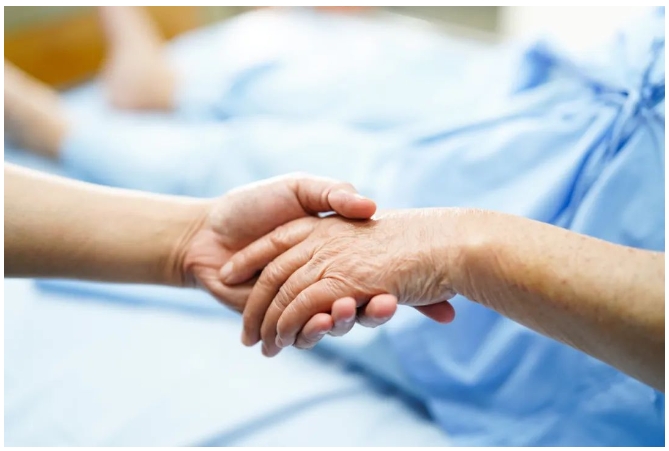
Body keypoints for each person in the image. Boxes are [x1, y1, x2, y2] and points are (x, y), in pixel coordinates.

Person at [5, 6, 665, 446]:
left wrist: (460, 246)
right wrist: (185, 240)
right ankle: (157, 92)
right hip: (569, 114)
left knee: (294, 165)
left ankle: (59, 125)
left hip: (587, 291)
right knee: (323, 116)